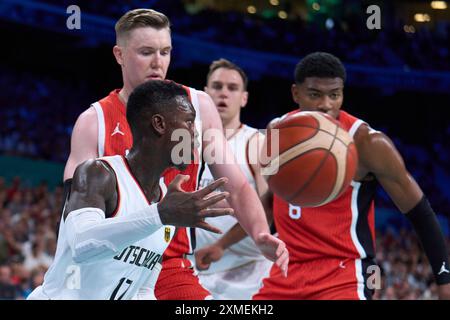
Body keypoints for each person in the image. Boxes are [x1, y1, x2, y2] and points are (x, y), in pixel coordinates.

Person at [62, 9, 288, 300]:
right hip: (108, 266)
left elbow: (236, 185)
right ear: (119, 54)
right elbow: (77, 222)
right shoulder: (94, 121)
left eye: (165, 52)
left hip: (169, 266)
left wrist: (259, 234)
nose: (158, 62)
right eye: (146, 52)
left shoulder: (198, 106)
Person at [252, 52, 450, 299]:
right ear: (296, 94)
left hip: (345, 276)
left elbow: (420, 212)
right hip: (285, 272)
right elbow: (268, 200)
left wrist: (444, 282)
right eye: (315, 94)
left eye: (334, 95)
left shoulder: (368, 143)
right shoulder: (276, 132)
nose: (326, 104)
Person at [27, 80, 233, 299]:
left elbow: (143, 288)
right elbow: (82, 246)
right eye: (189, 122)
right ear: (159, 124)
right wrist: (159, 215)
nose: (196, 133)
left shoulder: (165, 199)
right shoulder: (99, 173)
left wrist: (161, 214)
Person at [192, 59, 273, 300]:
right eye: (216, 86)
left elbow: (269, 210)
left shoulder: (259, 143)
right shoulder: (186, 143)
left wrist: (222, 245)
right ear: (205, 94)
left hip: (247, 274)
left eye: (232, 88)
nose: (223, 93)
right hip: (193, 270)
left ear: (244, 98)